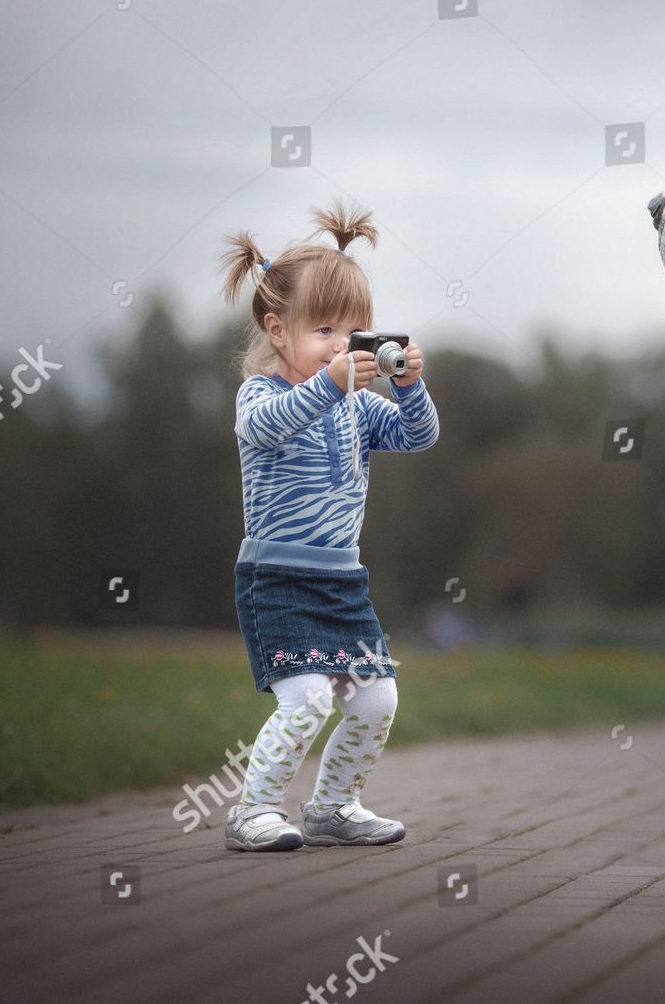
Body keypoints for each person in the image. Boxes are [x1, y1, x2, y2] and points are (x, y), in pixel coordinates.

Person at [216, 200, 438, 850]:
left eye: (355, 332)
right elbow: (272, 427)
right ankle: (253, 810)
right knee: (308, 697)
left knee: (377, 701)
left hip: (343, 584)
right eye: (325, 330)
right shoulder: (259, 396)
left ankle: (333, 806)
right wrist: (335, 384)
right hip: (277, 579)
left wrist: (410, 386)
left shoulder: (357, 406)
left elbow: (419, 435)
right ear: (277, 329)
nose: (342, 345)